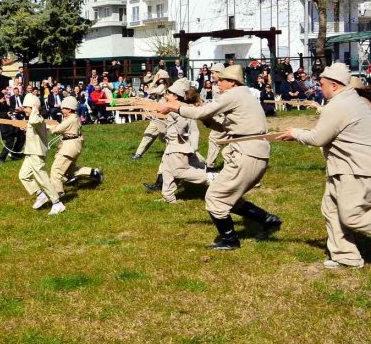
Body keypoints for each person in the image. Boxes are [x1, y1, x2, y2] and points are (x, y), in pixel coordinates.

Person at [158, 65, 282, 250]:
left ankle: (230, 240)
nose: (218, 82)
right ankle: (268, 220)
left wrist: (175, 107)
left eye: (221, 80)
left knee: (215, 198)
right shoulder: (243, 96)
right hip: (253, 153)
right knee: (229, 197)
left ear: (232, 82)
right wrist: (204, 119)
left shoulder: (233, 95)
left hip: (247, 154)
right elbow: (225, 127)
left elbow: (201, 112)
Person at [278, 63, 371, 268]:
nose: (320, 88)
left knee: (353, 216)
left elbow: (318, 138)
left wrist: (294, 133)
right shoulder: (352, 101)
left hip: (356, 169)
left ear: (335, 85)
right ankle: (346, 256)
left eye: (322, 84)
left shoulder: (339, 105)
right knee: (331, 209)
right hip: (344, 167)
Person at [153, 80, 212, 203]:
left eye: (168, 93)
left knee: (179, 171)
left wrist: (172, 113)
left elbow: (183, 125)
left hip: (179, 146)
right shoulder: (173, 107)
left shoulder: (179, 108)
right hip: (171, 146)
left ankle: (211, 177)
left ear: (175, 96)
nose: (166, 95)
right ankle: (169, 198)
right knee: (167, 171)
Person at [18, 93, 65, 215]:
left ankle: (57, 203)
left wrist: (34, 108)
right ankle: (41, 195)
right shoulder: (33, 119)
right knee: (23, 175)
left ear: (32, 107)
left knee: (42, 178)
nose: (24, 110)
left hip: (36, 153)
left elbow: (34, 121)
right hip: (30, 152)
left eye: (26, 107)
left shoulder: (37, 117)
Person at [48, 96, 102, 200]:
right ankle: (94, 172)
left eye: (64, 108)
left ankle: (58, 193)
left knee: (56, 172)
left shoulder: (70, 120)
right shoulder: (73, 117)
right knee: (70, 170)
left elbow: (57, 129)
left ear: (69, 109)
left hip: (69, 147)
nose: (62, 110)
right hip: (73, 145)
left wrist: (45, 125)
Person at [131, 70, 170, 159]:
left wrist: (153, 81)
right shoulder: (161, 86)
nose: (158, 78)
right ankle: (138, 154)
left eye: (160, 76)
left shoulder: (163, 86)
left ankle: (182, 153)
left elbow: (148, 91)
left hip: (163, 117)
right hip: (157, 116)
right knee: (148, 134)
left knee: (166, 138)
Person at [0, 91, 23, 164]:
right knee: (10, 141)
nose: (4, 99)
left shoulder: (4, 104)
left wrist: (16, 110)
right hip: (2, 128)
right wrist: (5, 114)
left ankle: (15, 153)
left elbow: (10, 109)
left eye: (4, 97)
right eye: (2, 98)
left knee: (21, 135)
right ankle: (0, 159)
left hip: (10, 126)